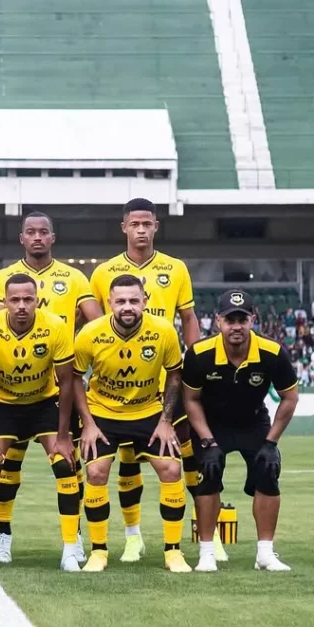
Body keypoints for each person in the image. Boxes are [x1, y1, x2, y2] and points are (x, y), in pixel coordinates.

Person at [89, 197, 206, 563]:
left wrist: (196, 364)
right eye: (134, 224)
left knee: (186, 457)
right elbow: (93, 323)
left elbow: (188, 318)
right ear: (124, 227)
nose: (141, 230)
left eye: (147, 224)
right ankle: (132, 537)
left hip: (165, 382)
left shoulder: (176, 268)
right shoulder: (103, 272)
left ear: (156, 226)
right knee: (124, 461)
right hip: (120, 389)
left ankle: (207, 535)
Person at [0, 212, 102, 563]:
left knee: (69, 464)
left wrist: (72, 340)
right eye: (31, 232)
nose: (37, 237)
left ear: (53, 237)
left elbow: (98, 323)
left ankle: (73, 538)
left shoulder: (75, 277)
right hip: (10, 388)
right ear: (22, 238)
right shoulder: (4, 277)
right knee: (7, 467)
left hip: (56, 387)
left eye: (44, 232)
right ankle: (2, 536)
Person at [75, 275, 192, 573]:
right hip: (102, 412)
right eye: (120, 301)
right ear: (109, 303)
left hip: (147, 410)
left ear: (145, 302)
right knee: (96, 472)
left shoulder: (163, 331)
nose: (127, 307)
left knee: (172, 469)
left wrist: (166, 421)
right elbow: (74, 378)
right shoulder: (90, 333)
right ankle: (99, 552)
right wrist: (87, 423)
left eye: (133, 301)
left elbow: (174, 375)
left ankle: (173, 552)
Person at [0, 274, 80, 572]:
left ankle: (71, 550)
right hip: (3, 403)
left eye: (28, 299)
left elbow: (66, 382)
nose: (21, 305)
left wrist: (63, 435)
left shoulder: (55, 326)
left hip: (43, 403)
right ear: (5, 301)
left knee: (65, 464)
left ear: (37, 301)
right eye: (15, 299)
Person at [182, 290, 297, 572]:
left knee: (268, 470)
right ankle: (207, 553)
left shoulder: (272, 352)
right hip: (212, 424)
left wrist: (271, 443)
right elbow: (191, 400)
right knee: (208, 474)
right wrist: (207, 441)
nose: (237, 326)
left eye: (242, 320)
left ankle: (265, 554)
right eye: (230, 320)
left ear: (252, 321)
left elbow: (290, 397)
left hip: (253, 421)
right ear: (218, 321)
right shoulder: (199, 354)